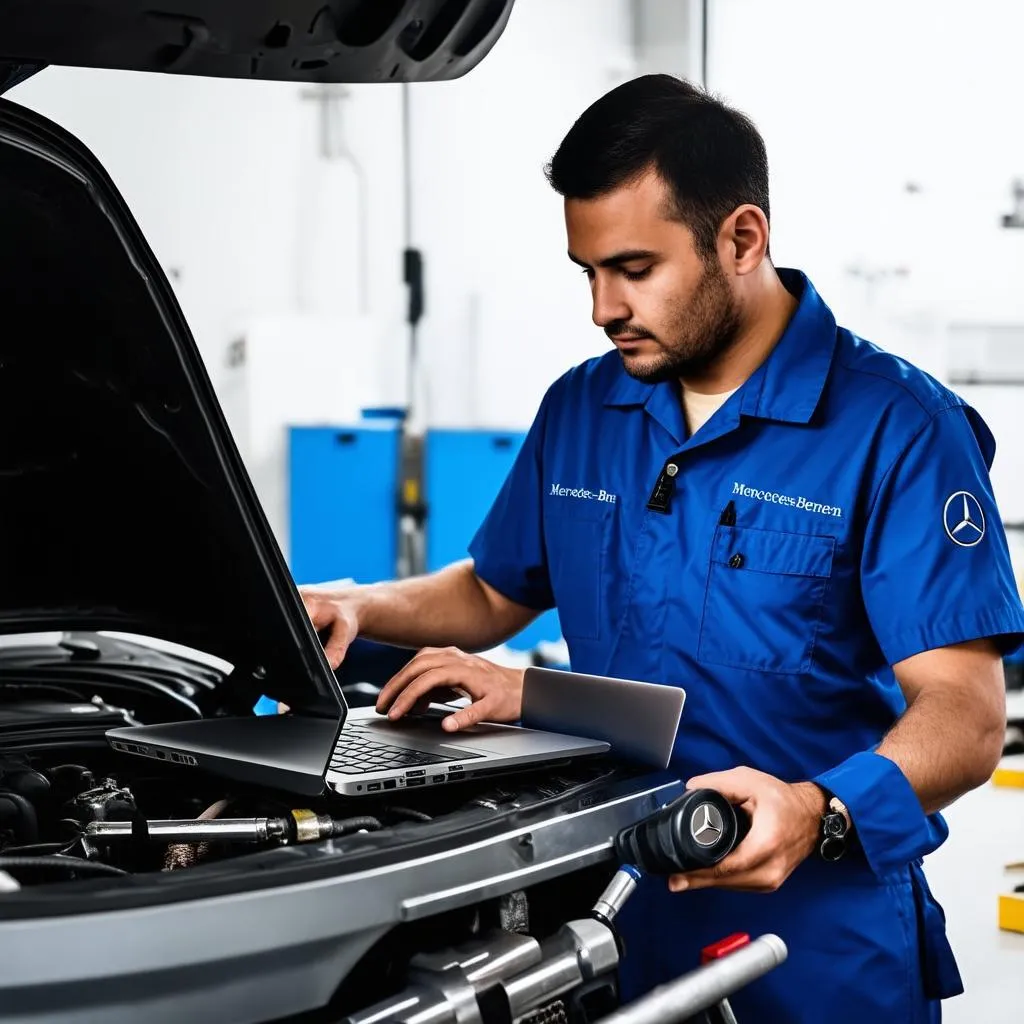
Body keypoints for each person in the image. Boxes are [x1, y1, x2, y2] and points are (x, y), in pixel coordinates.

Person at [300, 75, 1024, 1022]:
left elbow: (965, 718)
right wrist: (358, 605)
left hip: (814, 936)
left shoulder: (897, 427)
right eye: (587, 272)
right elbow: (492, 591)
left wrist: (821, 810)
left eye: (635, 269)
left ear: (742, 239)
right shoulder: (585, 406)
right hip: (611, 914)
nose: (603, 306)